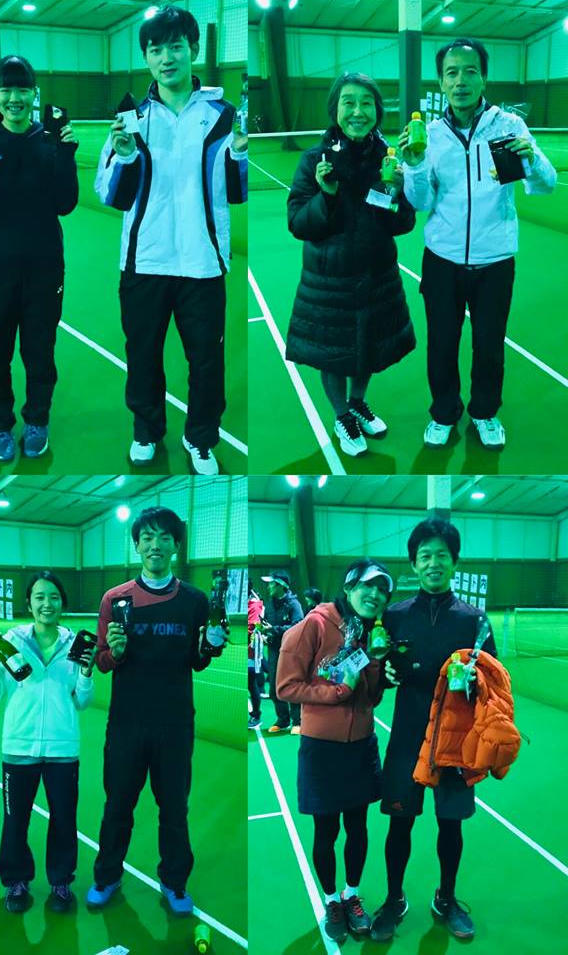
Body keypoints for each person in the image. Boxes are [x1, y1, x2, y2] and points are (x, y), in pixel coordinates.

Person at [94, 6, 248, 474]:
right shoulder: (131, 118)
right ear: (146, 57)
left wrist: (241, 154)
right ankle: (146, 431)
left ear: (193, 49)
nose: (167, 58)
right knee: (142, 357)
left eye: (176, 46)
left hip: (203, 265)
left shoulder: (223, 117)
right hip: (144, 263)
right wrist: (124, 156)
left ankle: (201, 439)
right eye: (156, 49)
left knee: (207, 362)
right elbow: (111, 195)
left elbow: (236, 191)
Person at [401, 37, 556, 451]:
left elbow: (546, 185)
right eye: (451, 73)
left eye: (470, 71)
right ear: (441, 81)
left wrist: (532, 159)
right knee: (442, 345)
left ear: (484, 77)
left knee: (489, 345)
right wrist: (414, 167)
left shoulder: (509, 126)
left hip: (495, 262)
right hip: (442, 261)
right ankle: (444, 413)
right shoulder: (430, 135)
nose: (461, 81)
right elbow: (421, 202)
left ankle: (485, 412)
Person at [86, 506, 226, 915]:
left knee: (174, 810)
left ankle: (175, 882)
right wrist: (116, 651)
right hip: (126, 724)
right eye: (147, 537)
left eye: (165, 537)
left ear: (176, 545)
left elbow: (198, 660)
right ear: (137, 545)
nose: (156, 545)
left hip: (175, 725)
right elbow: (102, 661)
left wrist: (212, 645)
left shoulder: (195, 601)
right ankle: (107, 876)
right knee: (117, 807)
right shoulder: (115, 599)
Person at [369, 517, 496, 942]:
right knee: (399, 824)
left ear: (454, 562)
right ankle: (393, 900)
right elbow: (378, 672)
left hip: (455, 741)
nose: (433, 563)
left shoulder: (474, 620)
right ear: (414, 564)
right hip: (408, 738)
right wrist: (385, 675)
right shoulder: (395, 615)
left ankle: (447, 898)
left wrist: (477, 680)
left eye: (442, 555)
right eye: (425, 556)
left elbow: (493, 679)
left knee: (451, 824)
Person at [0, 55, 79, 462]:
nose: (14, 98)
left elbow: (65, 203)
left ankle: (37, 420)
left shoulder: (49, 140)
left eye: (22, 89)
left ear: (33, 93)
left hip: (44, 271)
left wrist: (66, 154)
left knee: (40, 353)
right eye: (6, 89)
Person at [286, 72, 416, 458]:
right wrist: (325, 196)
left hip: (377, 277)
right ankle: (342, 414)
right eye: (348, 103)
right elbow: (298, 223)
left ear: (377, 110)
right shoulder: (315, 160)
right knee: (334, 353)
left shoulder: (387, 158)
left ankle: (358, 403)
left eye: (366, 103)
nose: (358, 111)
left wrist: (397, 193)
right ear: (335, 110)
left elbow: (401, 224)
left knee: (369, 347)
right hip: (330, 281)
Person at [278, 560, 392, 942]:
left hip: (360, 746)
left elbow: (371, 698)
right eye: (368, 586)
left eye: (382, 589)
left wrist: (377, 668)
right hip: (322, 749)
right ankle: (331, 901)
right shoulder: (314, 624)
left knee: (358, 827)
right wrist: (338, 691)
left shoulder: (374, 632)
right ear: (348, 588)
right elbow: (285, 687)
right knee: (326, 831)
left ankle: (351, 895)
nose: (375, 595)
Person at [0, 571, 93, 913]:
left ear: (62, 603)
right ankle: (16, 881)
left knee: (64, 820)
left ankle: (60, 882)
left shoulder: (75, 644)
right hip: (18, 748)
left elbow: (82, 701)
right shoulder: (10, 641)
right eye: (39, 597)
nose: (47, 603)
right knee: (15, 821)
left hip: (62, 749)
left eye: (54, 596)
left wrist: (87, 674)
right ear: (29, 603)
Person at [258, 571, 304, 734]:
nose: (268, 587)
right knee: (274, 688)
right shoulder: (269, 604)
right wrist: (265, 634)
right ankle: (283, 720)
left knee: (291, 685)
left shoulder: (294, 605)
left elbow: (298, 626)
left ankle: (298, 721)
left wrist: (274, 630)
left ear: (280, 585)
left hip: (291, 652)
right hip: (274, 651)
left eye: (271, 584)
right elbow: (267, 625)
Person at [247, 577, 266, 729]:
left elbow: (253, 626)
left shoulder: (254, 603)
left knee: (251, 682)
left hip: (251, 648)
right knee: (249, 682)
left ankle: (256, 715)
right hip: (247, 647)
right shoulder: (250, 601)